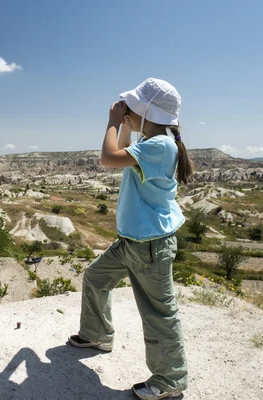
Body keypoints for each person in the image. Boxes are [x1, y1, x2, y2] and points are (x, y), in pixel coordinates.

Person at [67, 78, 193, 400]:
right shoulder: (153, 144)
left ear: (149, 112)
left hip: (149, 246)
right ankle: (97, 335)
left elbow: (109, 157)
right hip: (132, 242)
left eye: (135, 107)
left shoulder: (160, 146)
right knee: (95, 277)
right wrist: (125, 123)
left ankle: (170, 381)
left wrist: (111, 121)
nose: (128, 110)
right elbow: (122, 149)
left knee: (159, 313)